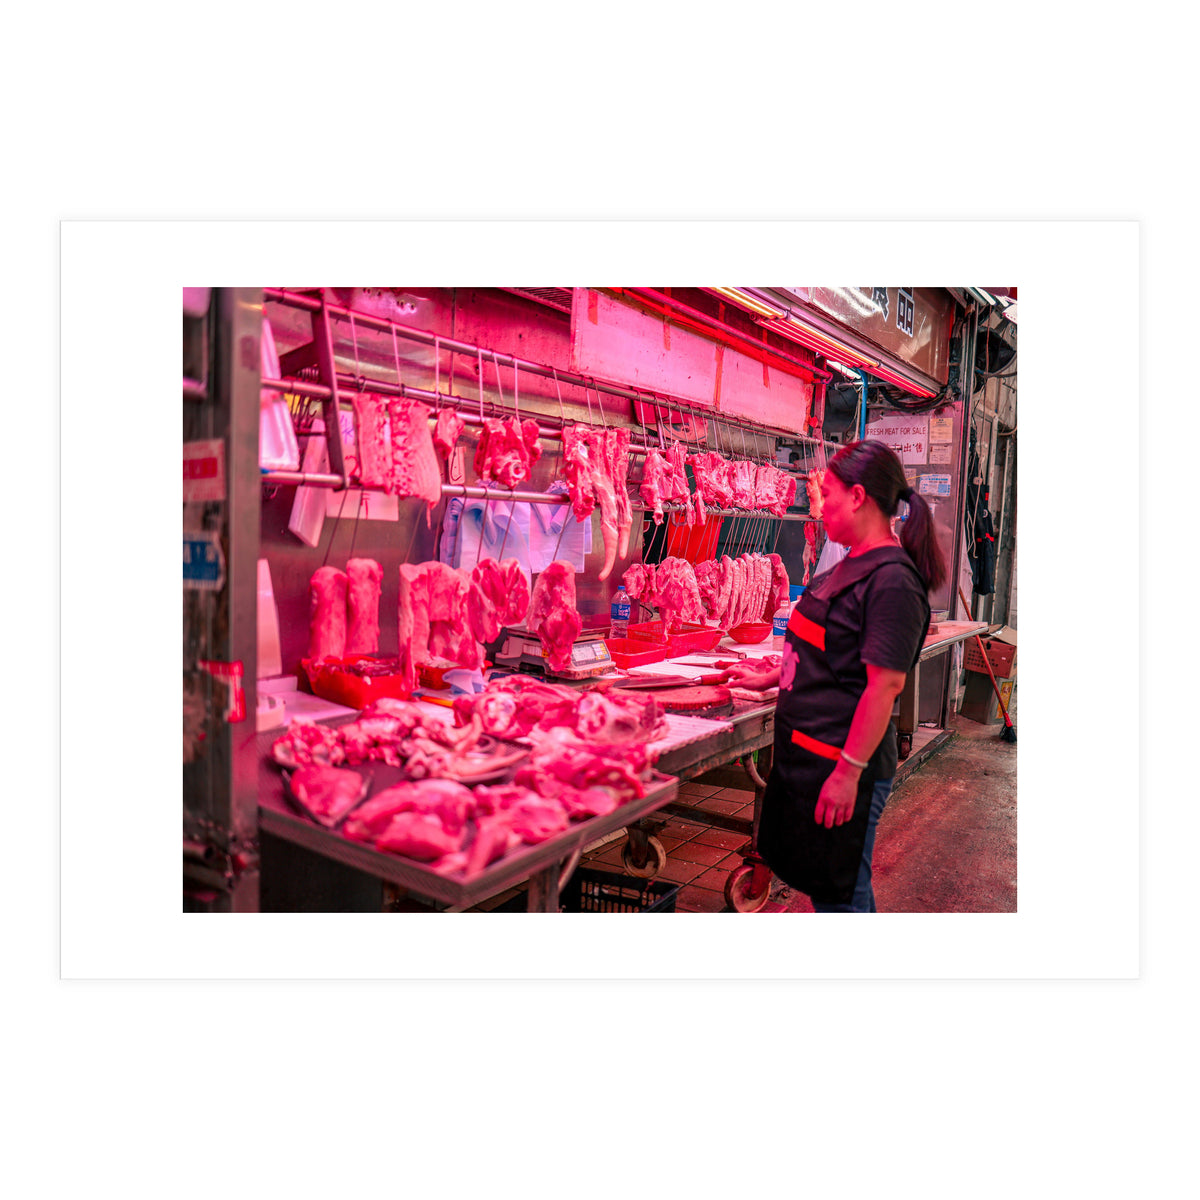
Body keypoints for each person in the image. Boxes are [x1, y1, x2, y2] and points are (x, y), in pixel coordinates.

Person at [755, 440, 948, 912]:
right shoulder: (850, 565)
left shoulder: (892, 580)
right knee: (824, 886)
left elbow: (885, 686)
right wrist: (777, 676)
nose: (821, 507)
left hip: (840, 765)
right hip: (808, 759)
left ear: (858, 497)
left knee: (842, 894)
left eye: (830, 494)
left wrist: (847, 773)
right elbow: (829, 653)